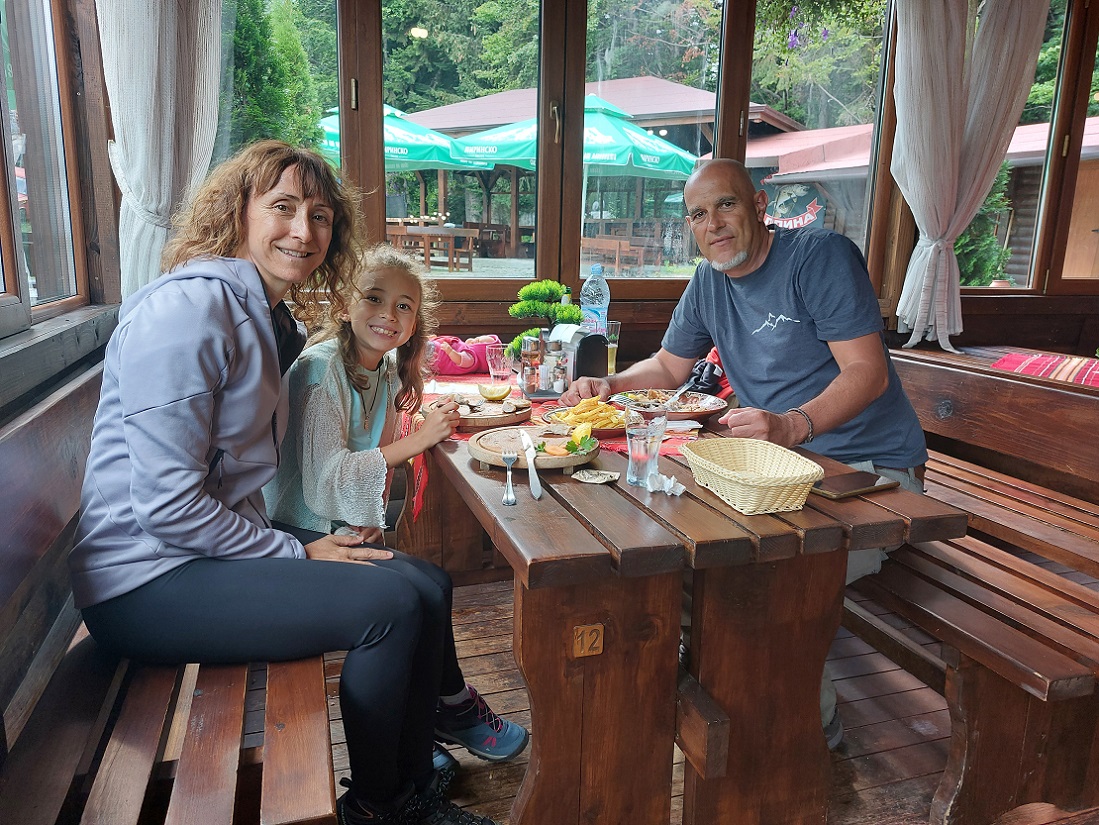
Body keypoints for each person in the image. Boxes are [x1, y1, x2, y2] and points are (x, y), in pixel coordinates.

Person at [69, 141, 501, 825]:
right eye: (284, 207)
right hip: (143, 583)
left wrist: (303, 541)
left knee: (424, 583)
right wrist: (297, 551)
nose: (304, 231)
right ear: (237, 212)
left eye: (321, 215)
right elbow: (166, 505)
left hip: (196, 554)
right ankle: (381, 806)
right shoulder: (190, 311)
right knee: (385, 607)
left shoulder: (262, 316)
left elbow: (216, 487)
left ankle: (414, 778)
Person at [561, 158, 928, 750]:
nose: (713, 224)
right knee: (666, 555)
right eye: (698, 215)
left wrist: (791, 425)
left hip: (870, 475)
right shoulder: (709, 281)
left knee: (761, 581)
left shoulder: (818, 256)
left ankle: (805, 728)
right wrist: (613, 384)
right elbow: (668, 367)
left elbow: (869, 372)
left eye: (726, 205)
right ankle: (714, 682)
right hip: (770, 475)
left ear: (760, 205)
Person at [263, 244, 529, 774]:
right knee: (417, 593)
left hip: (337, 524)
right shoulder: (320, 372)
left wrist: (424, 422)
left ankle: (435, 713)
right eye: (375, 298)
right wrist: (415, 442)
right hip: (300, 531)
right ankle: (440, 714)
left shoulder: (382, 369)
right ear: (344, 304)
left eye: (405, 306)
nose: (389, 314)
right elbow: (324, 478)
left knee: (435, 584)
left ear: (415, 322)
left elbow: (370, 446)